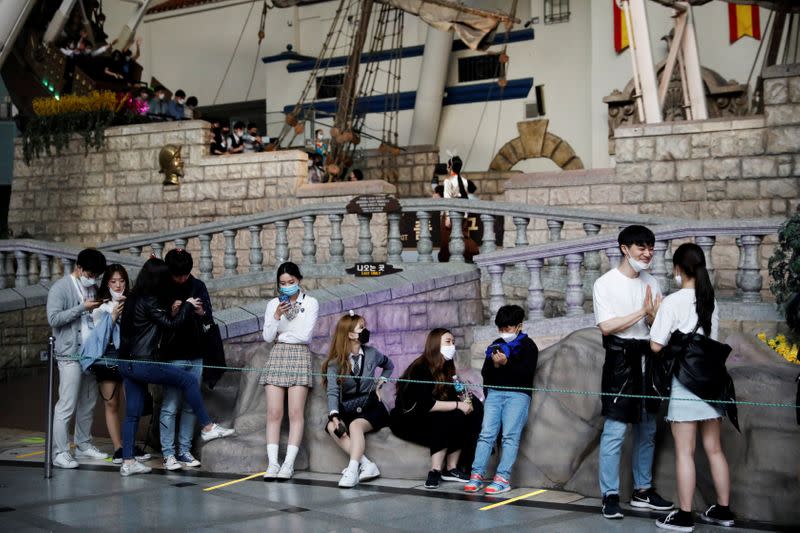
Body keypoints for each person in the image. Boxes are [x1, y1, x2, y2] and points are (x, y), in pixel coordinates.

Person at [118, 258, 234, 477]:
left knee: (132, 413)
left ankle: (128, 461)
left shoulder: (133, 296)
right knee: (189, 381)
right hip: (144, 362)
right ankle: (208, 426)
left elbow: (157, 323)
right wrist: (188, 306)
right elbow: (171, 325)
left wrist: (173, 311)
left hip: (126, 363)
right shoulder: (150, 299)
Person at [650, 243, 736, 532]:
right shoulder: (711, 300)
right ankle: (723, 510)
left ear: (678, 269)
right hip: (712, 382)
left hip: (685, 383)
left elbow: (655, 345)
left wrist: (655, 318)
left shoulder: (673, 302)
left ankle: (685, 516)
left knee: (684, 451)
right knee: (714, 449)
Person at [592, 225, 673, 519]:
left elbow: (659, 327)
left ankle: (643, 491)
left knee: (648, 428)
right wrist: (643, 311)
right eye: (641, 247)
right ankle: (610, 495)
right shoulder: (604, 283)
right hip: (620, 361)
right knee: (614, 431)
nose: (648, 253)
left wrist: (654, 319)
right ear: (625, 249)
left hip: (648, 360)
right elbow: (606, 326)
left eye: (651, 247)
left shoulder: (652, 281)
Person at [390, 328, 482, 489]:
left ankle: (453, 468)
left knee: (473, 408)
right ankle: (435, 470)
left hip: (430, 416)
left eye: (453, 342)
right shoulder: (421, 368)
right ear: (435, 345)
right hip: (409, 420)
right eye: (447, 342)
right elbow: (427, 404)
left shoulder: (447, 366)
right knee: (447, 416)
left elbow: (450, 396)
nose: (452, 346)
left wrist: (465, 400)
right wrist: (458, 405)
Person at [81, 264, 151, 464]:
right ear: (107, 283)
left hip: (129, 357)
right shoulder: (100, 306)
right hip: (107, 359)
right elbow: (97, 337)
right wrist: (112, 317)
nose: (118, 285)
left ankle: (129, 444)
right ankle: (119, 447)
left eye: (121, 281)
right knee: (111, 403)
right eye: (113, 281)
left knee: (133, 403)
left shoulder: (133, 302)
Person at [464, 305, 538, 495]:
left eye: (508, 328)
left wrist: (507, 363)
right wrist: (496, 366)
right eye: (501, 328)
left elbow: (526, 374)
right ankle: (476, 475)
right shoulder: (496, 344)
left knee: (510, 437)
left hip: (518, 395)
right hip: (495, 394)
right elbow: (485, 373)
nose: (504, 332)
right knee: (486, 434)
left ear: (519, 326)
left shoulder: (529, 346)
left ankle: (503, 478)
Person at [47, 249, 108, 468]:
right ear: (79, 268)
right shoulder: (61, 288)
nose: (92, 279)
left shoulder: (93, 287)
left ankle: (83, 443)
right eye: (90, 274)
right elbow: (53, 318)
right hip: (69, 354)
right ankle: (60, 451)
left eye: (96, 276)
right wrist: (82, 308)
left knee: (88, 403)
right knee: (67, 404)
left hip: (90, 354)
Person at [260, 262, 319, 480]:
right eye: (282, 283)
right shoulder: (273, 304)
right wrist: (276, 316)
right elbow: (267, 337)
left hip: (300, 355)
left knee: (295, 413)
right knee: (274, 413)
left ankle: (288, 464)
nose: (287, 286)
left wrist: (283, 335)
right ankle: (273, 463)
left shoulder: (311, 302)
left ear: (299, 280)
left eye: (291, 282)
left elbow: (305, 336)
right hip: (277, 356)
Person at [158, 249, 215, 471]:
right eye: (178, 275)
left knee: (192, 404)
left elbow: (209, 316)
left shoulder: (197, 285)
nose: (182, 279)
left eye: (185, 274)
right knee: (170, 405)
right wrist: (171, 313)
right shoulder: (163, 287)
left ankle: (184, 450)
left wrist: (200, 312)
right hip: (172, 355)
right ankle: (168, 453)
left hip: (196, 352)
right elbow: (158, 321)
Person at [323, 313, 394, 488]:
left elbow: (389, 366)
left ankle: (352, 469)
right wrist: (334, 416)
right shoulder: (335, 364)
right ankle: (367, 464)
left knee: (355, 426)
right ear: (350, 334)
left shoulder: (372, 353)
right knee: (333, 427)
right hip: (348, 408)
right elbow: (332, 392)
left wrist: (380, 383)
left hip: (371, 407)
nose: (365, 330)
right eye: (361, 328)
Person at [438, 155, 479, 263]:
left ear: (450, 167)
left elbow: (447, 198)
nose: (447, 168)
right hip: (462, 213)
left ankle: (447, 259)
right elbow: (465, 198)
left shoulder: (448, 181)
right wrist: (465, 214)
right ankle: (471, 253)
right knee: (463, 236)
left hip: (450, 214)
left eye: (448, 166)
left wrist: (447, 217)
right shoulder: (464, 181)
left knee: (446, 240)